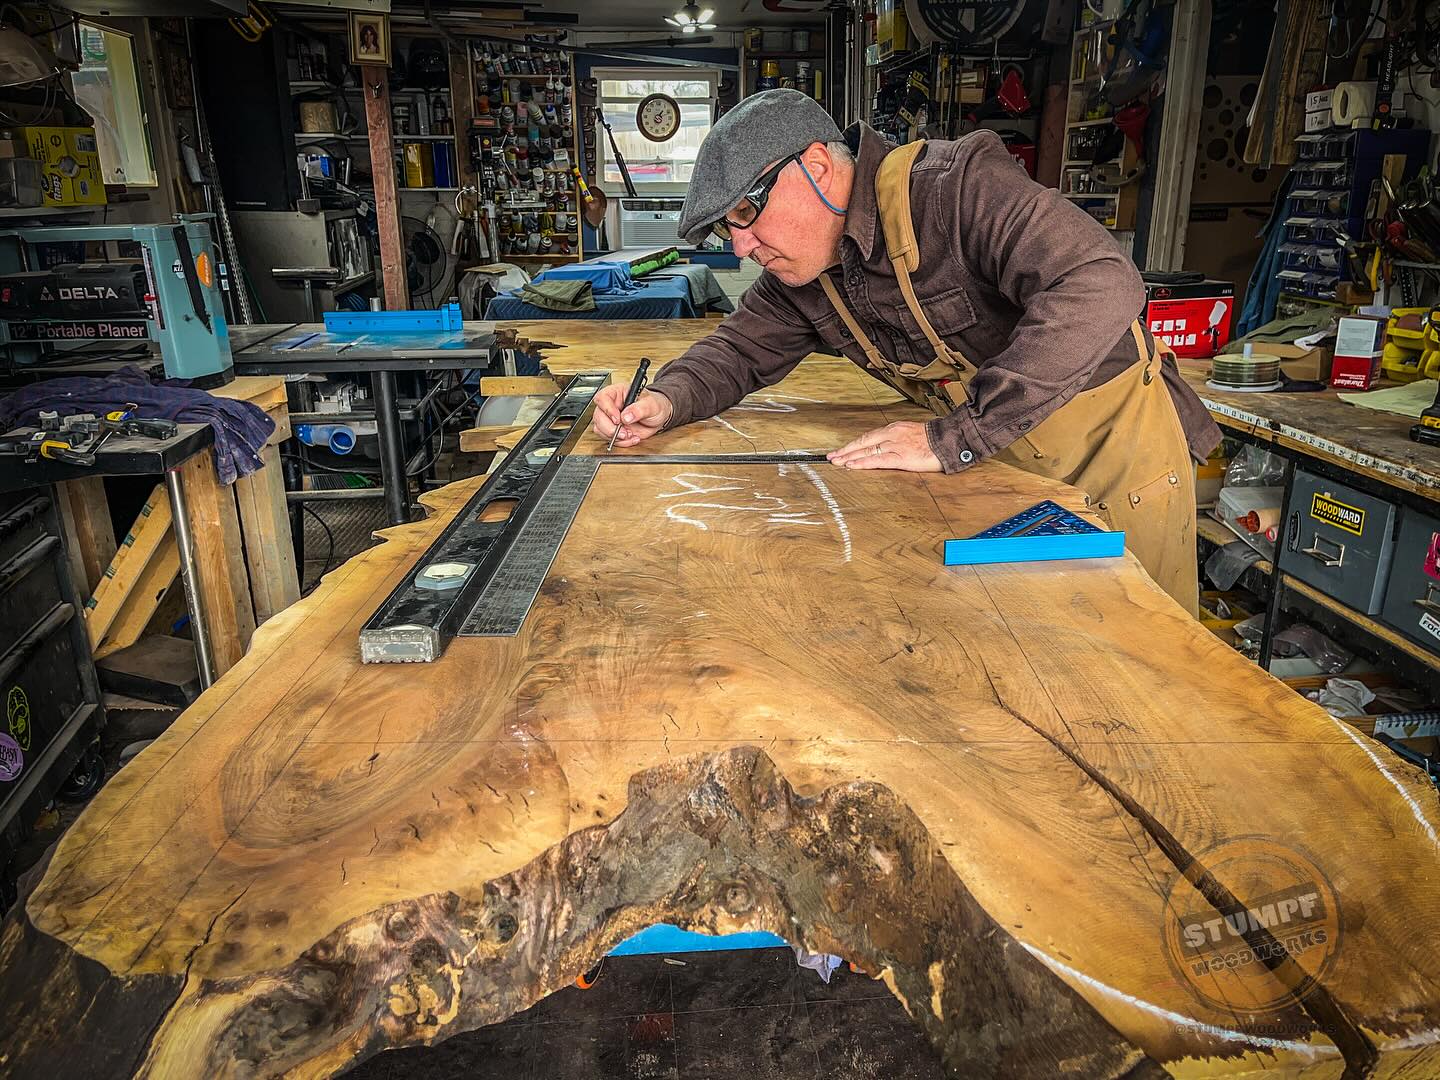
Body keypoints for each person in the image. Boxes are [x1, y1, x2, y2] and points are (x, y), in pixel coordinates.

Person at [590, 89, 1221, 614]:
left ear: (816, 165)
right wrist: (664, 399)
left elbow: (1100, 281)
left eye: (746, 214)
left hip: (1108, 453)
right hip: (1000, 466)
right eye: (728, 230)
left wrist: (957, 436)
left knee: (1140, 659)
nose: (741, 248)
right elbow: (735, 352)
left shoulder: (955, 190)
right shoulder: (810, 279)